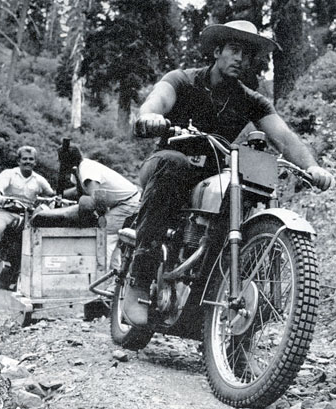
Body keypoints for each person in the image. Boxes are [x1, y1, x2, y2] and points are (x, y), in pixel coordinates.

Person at [122, 20, 334, 327]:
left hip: (214, 175)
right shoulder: (183, 80)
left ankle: (206, 305)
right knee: (175, 165)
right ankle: (140, 277)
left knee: (242, 194)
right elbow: (158, 100)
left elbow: (284, 138)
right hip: (168, 163)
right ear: (217, 50)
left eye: (247, 55)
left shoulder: (251, 100)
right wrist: (151, 116)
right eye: (234, 50)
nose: (240, 59)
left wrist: (311, 166)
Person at [57, 146, 141, 273]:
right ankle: (113, 279)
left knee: (104, 237)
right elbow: (78, 190)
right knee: (112, 242)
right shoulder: (78, 171)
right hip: (121, 203)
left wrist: (101, 218)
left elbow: (97, 196)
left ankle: (100, 279)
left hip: (128, 202)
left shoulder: (86, 169)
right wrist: (58, 194)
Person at [0, 146, 54, 275]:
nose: (28, 162)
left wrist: (56, 199)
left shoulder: (39, 180)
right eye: (24, 159)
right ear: (18, 161)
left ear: (35, 162)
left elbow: (51, 194)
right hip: (7, 211)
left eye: (31, 159)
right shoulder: (9, 174)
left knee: (37, 237)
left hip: (28, 216)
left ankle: (33, 272)